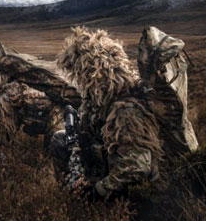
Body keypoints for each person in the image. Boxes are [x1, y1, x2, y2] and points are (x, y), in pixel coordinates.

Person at [50, 26, 179, 200]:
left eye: (81, 75)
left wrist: (97, 191)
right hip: (111, 172)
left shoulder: (126, 112)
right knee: (61, 139)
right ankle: (70, 192)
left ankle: (91, 205)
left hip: (142, 194)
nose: (79, 81)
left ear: (95, 75)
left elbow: (137, 167)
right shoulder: (99, 103)